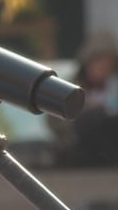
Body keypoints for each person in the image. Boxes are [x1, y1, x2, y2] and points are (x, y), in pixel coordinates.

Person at [50, 31, 118, 168]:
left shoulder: (114, 87)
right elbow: (54, 121)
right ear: (87, 63)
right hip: (82, 156)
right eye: (98, 63)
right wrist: (86, 109)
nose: (102, 69)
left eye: (107, 64)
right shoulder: (70, 89)